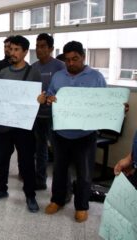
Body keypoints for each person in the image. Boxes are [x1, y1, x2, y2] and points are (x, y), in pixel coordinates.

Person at [41, 41, 106, 223]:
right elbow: (50, 94)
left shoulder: (96, 77)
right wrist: (48, 98)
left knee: (84, 173)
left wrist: (117, 109)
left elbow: (104, 102)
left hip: (85, 134)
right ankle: (57, 200)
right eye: (67, 60)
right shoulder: (58, 76)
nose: (70, 63)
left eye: (75, 59)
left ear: (83, 57)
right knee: (59, 170)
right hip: (60, 132)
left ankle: (82, 206)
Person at [0, 35, 41, 213]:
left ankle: (30, 195)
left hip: (24, 127)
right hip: (4, 124)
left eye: (16, 50)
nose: (12, 53)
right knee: (3, 158)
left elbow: (37, 98)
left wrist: (40, 99)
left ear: (24, 52)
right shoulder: (3, 71)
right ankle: (1, 189)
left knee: (26, 162)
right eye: (11, 49)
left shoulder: (33, 73)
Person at [31, 33, 65, 190]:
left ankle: (61, 187)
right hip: (37, 115)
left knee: (59, 152)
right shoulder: (33, 67)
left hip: (55, 116)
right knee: (40, 150)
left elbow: (66, 90)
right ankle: (40, 180)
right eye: (37, 46)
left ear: (51, 48)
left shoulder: (60, 66)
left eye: (43, 46)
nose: (39, 49)